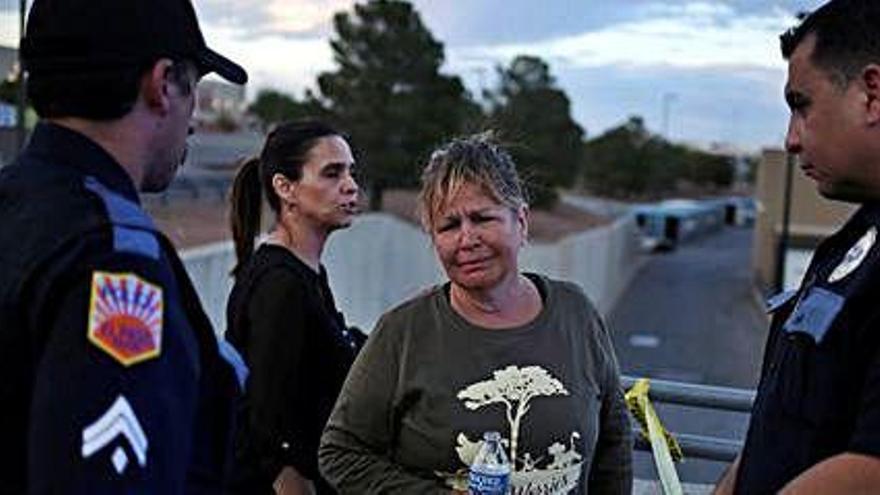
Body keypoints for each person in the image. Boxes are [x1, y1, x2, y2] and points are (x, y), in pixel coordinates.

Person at [0, 0, 249, 492]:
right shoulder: (114, 260)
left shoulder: (15, 206)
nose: (194, 121)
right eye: (193, 89)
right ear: (161, 85)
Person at [319, 133, 632, 494]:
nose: (467, 239)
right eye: (449, 226)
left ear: (522, 222)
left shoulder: (575, 313)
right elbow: (341, 453)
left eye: (482, 218)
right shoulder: (402, 332)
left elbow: (614, 441)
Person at [713, 1, 880, 493]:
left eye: (801, 104)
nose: (790, 139)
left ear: (873, 94)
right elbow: (785, 428)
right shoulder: (850, 245)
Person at [225, 120, 363, 494]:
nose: (350, 185)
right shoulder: (280, 284)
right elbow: (268, 425)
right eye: (332, 173)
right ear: (285, 188)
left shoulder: (306, 273)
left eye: (351, 171)